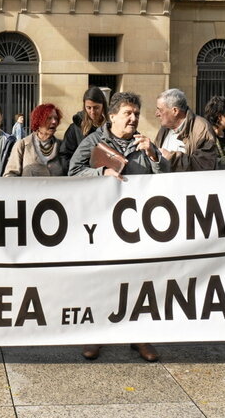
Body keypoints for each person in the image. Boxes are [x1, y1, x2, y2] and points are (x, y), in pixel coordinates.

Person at [68, 92, 169, 362]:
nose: (133, 118)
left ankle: (139, 338)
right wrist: (101, 173)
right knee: (103, 280)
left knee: (138, 281)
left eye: (136, 114)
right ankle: (96, 336)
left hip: (137, 226)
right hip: (102, 225)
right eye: (128, 113)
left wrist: (155, 157)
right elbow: (73, 172)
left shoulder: (144, 143)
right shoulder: (93, 142)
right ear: (112, 116)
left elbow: (168, 180)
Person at [154, 88, 217, 172]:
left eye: (160, 110)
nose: (156, 114)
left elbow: (204, 165)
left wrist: (171, 157)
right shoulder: (164, 128)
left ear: (175, 111)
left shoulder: (201, 128)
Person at [3, 104, 65, 177]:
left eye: (56, 118)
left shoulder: (62, 146)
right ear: (39, 121)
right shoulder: (22, 145)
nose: (54, 121)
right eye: (49, 118)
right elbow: (10, 175)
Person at [60, 86, 109, 169]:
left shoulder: (113, 126)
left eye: (96, 107)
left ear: (103, 106)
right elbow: (65, 156)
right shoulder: (74, 128)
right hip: (82, 177)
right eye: (89, 108)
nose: (92, 112)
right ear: (84, 106)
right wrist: (77, 172)